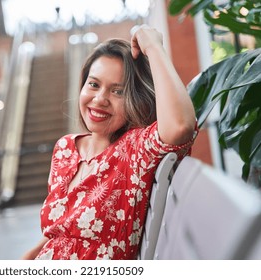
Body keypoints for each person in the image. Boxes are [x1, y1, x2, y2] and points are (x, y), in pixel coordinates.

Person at [22, 24, 197, 260]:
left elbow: (180, 125)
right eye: (93, 84)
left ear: (135, 99)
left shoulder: (135, 150)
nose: (100, 99)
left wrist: (153, 47)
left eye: (118, 91)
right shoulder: (64, 148)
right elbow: (60, 229)